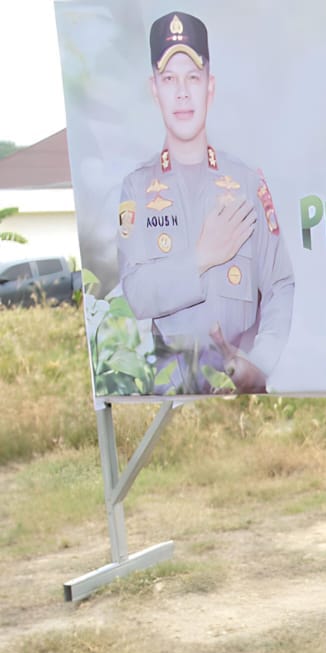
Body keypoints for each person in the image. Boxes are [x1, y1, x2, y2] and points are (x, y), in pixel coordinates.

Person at [116, 11, 295, 394]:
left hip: (244, 391)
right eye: (169, 79)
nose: (182, 93)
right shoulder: (137, 189)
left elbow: (280, 283)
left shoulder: (247, 182)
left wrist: (259, 362)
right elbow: (136, 292)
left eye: (192, 78)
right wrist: (201, 257)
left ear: (209, 87)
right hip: (169, 390)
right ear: (154, 89)